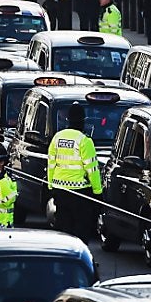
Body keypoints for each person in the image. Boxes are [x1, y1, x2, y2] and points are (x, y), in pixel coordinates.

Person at [47, 103, 102, 243]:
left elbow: (51, 164)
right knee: (81, 229)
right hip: (79, 192)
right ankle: (79, 258)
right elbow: (93, 170)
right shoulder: (85, 141)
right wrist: (97, 192)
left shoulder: (57, 138)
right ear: (83, 121)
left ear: (68, 120)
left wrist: (50, 186)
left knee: (63, 228)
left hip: (59, 190)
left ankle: (62, 257)